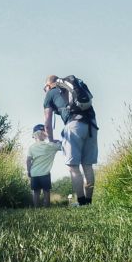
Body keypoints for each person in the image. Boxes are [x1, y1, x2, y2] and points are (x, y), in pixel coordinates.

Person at [42, 74, 97, 206]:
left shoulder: (50, 93)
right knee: (87, 165)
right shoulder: (73, 89)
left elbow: (47, 123)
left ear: (48, 85)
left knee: (73, 167)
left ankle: (81, 202)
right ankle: (88, 203)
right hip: (92, 125)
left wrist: (50, 140)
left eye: (45, 88)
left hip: (74, 126)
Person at [25, 124, 60, 207]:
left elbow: (28, 160)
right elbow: (61, 146)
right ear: (45, 135)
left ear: (34, 136)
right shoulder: (50, 146)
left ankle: (36, 208)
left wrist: (28, 171)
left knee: (36, 192)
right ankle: (46, 207)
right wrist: (56, 141)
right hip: (45, 173)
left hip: (34, 173)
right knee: (46, 191)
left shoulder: (31, 147)